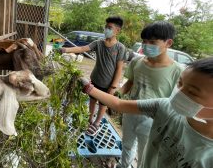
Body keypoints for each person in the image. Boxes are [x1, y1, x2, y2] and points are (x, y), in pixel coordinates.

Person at [80, 56, 213, 168]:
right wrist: (89, 88)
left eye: (192, 92)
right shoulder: (165, 107)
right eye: (180, 83)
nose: (179, 93)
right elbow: (119, 105)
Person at [119, 21, 184, 168]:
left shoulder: (177, 71)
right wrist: (119, 92)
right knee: (127, 144)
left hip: (153, 120)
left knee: (145, 154)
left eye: (152, 42)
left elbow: (176, 103)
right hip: (129, 111)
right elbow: (130, 83)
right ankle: (123, 165)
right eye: (144, 41)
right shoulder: (136, 62)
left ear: (168, 43)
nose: (146, 45)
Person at [59, 16, 126, 136]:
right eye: (106, 27)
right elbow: (81, 48)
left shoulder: (120, 48)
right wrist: (65, 50)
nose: (106, 30)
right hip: (95, 79)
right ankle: (89, 118)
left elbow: (119, 69)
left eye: (110, 28)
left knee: (103, 105)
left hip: (108, 84)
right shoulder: (98, 43)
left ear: (117, 31)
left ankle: (97, 122)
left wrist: (113, 87)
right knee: (92, 100)